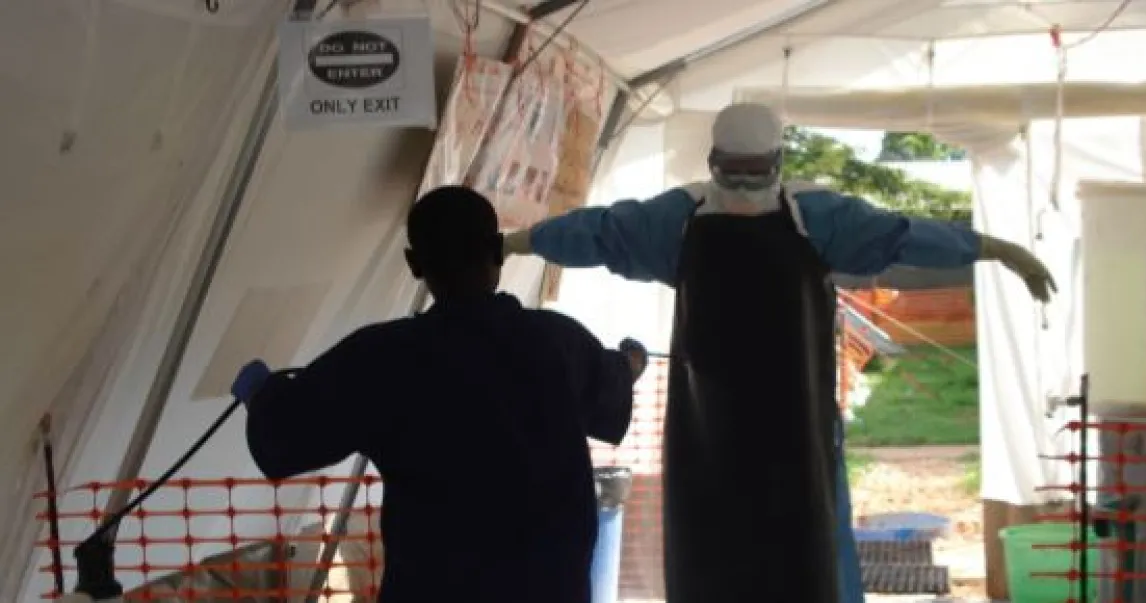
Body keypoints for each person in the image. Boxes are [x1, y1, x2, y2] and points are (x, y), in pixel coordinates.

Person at [503, 103, 1056, 603]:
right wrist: (514, 241)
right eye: (732, 171)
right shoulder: (677, 219)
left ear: (778, 161)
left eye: (755, 172)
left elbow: (901, 236)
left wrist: (994, 249)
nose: (743, 185)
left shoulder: (816, 217)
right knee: (712, 561)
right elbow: (598, 233)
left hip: (797, 436)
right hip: (708, 440)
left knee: (805, 559)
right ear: (713, 160)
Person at [231, 185, 650, 603]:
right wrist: (632, 358)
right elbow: (614, 385)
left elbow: (282, 439)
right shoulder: (558, 343)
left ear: (414, 264)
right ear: (497, 254)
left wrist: (260, 391)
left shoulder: (381, 360)